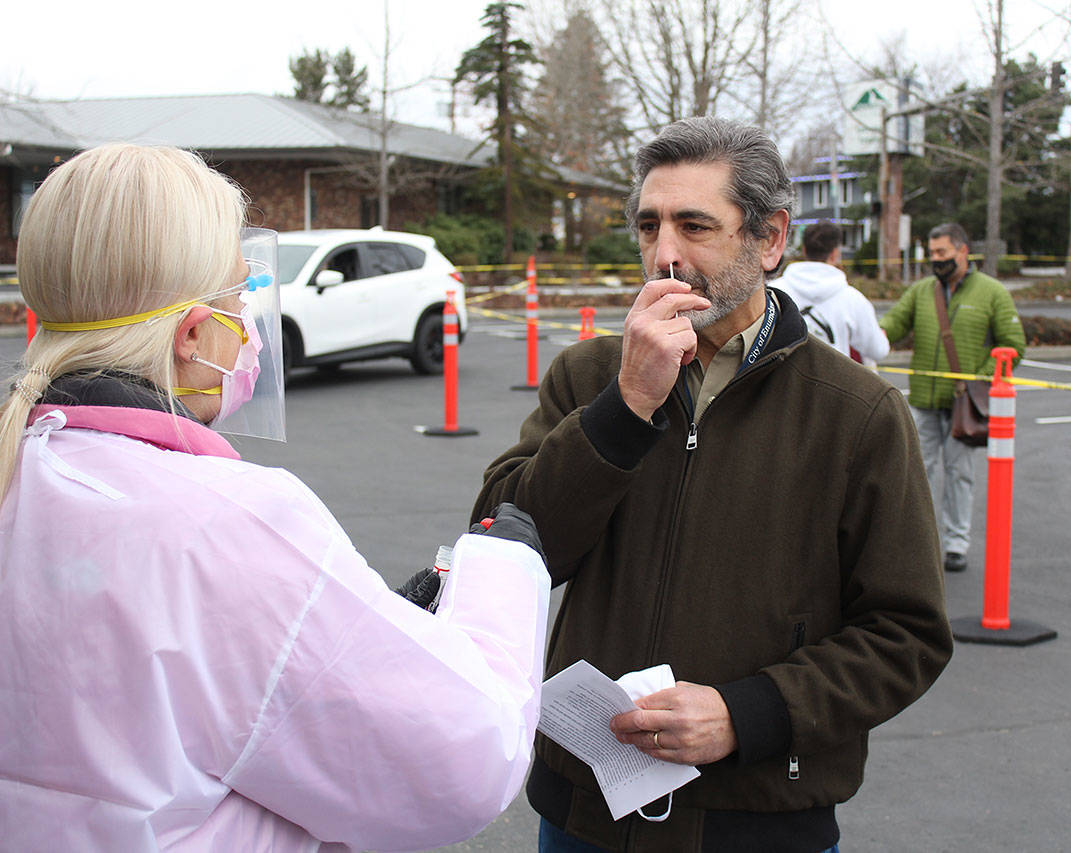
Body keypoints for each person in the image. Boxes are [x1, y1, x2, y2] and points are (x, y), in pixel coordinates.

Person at [0, 143, 550, 852]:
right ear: (194, 334)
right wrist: (503, 569)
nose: (250, 326)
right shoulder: (227, 520)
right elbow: (466, 759)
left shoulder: (25, 474)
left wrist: (371, 628)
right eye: (240, 297)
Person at [474, 117, 952, 853]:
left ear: (769, 239)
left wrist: (750, 712)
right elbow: (504, 547)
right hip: (583, 811)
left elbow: (907, 632)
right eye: (649, 226)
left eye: (695, 226)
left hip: (759, 817)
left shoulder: (856, 414)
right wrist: (623, 409)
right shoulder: (590, 378)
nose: (665, 255)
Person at [879, 223, 1027, 573]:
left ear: (963, 251)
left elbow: (1013, 346)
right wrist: (868, 335)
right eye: (932, 254)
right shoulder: (921, 291)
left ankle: (956, 543)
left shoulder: (992, 293)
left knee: (959, 473)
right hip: (924, 402)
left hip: (965, 405)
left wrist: (979, 379)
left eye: (942, 253)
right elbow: (892, 325)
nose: (936, 260)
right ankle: (918, 541)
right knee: (916, 473)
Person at [773, 221, 889, 367]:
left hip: (784, 383)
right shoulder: (852, 299)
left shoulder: (773, 292)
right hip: (834, 383)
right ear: (835, 254)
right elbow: (878, 350)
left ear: (804, 250)